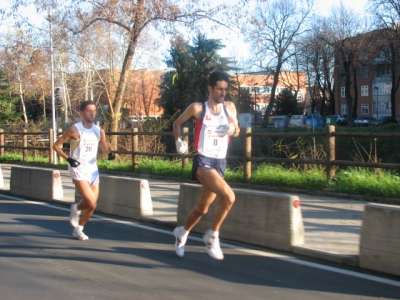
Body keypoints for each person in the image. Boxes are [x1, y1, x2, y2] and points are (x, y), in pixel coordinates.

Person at [172, 71, 240, 260]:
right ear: (210, 89)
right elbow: (177, 124)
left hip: (220, 162)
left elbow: (237, 131)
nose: (223, 93)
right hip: (203, 161)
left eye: (225, 89)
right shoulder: (198, 108)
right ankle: (212, 236)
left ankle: (182, 232)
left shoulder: (230, 108)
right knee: (229, 197)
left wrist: (232, 129)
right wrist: (178, 141)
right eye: (219, 89)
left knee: (202, 209)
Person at [53, 100, 115, 241]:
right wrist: (68, 159)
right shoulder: (74, 129)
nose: (92, 113)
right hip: (78, 169)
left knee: (93, 205)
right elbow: (56, 146)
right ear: (82, 113)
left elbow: (104, 151)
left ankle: (79, 229)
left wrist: (109, 155)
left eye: (94, 111)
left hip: (92, 170)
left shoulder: (99, 131)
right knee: (91, 201)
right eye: (89, 111)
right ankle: (76, 208)